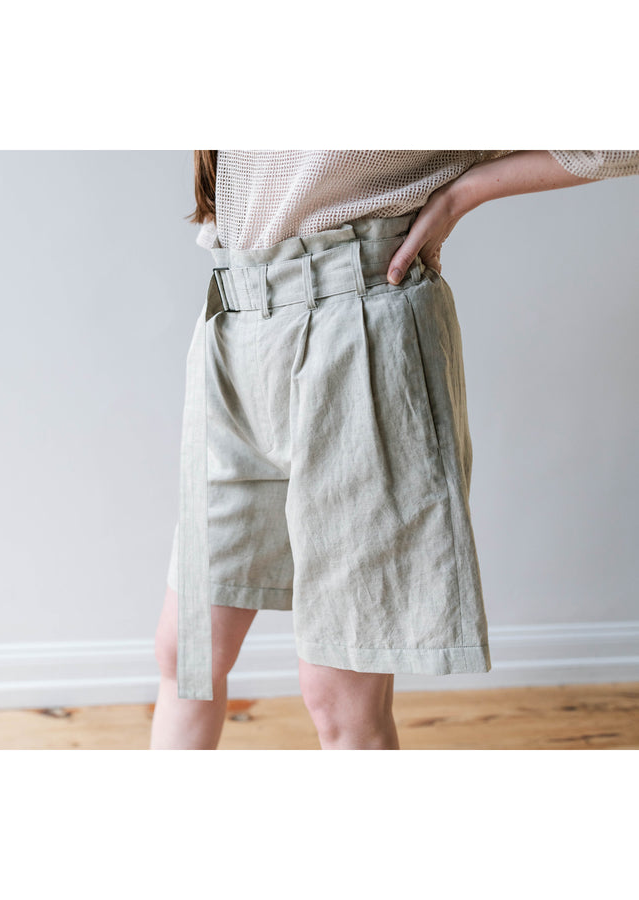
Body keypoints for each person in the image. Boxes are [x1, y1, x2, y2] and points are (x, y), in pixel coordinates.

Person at [149, 151, 639, 751]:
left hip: (356, 324)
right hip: (234, 325)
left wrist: (461, 194)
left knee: (339, 695)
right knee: (187, 655)